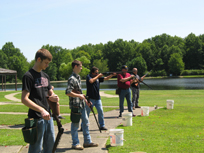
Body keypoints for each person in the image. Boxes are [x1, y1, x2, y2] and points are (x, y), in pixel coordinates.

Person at [21, 49, 60, 153]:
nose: (47, 65)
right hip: (36, 118)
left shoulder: (46, 76)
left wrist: (54, 96)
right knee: (35, 149)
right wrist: (41, 110)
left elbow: (49, 91)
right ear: (39, 59)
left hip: (49, 118)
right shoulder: (28, 76)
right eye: (46, 63)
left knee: (50, 148)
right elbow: (24, 99)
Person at [65, 60, 98, 150]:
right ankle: (75, 143)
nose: (81, 68)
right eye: (80, 66)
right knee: (75, 125)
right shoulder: (72, 78)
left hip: (82, 104)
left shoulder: (78, 77)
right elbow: (68, 92)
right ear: (75, 66)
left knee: (86, 123)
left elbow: (79, 92)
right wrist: (79, 95)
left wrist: (86, 100)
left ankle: (87, 141)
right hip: (75, 105)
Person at [81, 66, 116, 131]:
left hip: (97, 98)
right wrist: (98, 76)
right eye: (96, 73)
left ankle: (102, 126)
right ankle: (83, 126)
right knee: (87, 113)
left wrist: (112, 75)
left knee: (101, 111)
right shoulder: (89, 76)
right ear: (92, 73)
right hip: (90, 98)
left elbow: (106, 78)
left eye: (98, 73)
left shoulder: (98, 78)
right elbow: (91, 81)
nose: (97, 74)